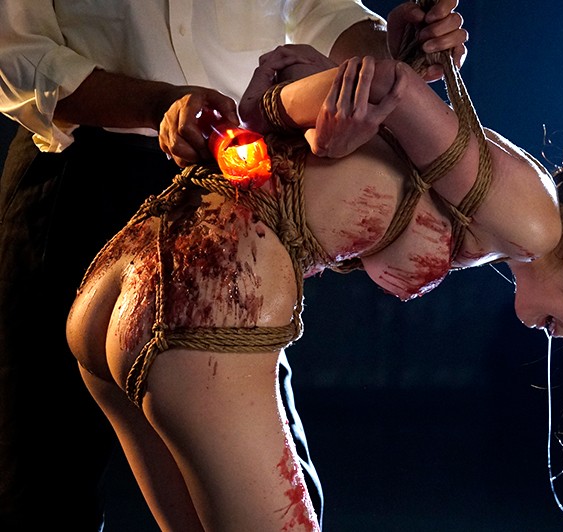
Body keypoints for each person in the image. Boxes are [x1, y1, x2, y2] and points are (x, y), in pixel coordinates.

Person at [66, 37, 563, 529]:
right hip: (206, 287)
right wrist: (281, 107)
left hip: (127, 278)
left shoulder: (497, 213)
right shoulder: (533, 221)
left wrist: (301, 106)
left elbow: (359, 100)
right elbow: (386, 84)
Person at [0, 1, 467, 529]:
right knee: (38, 474)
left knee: (269, 484)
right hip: (77, 177)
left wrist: (386, 60)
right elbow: (13, 49)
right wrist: (158, 104)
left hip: (232, 173)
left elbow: (321, 8)